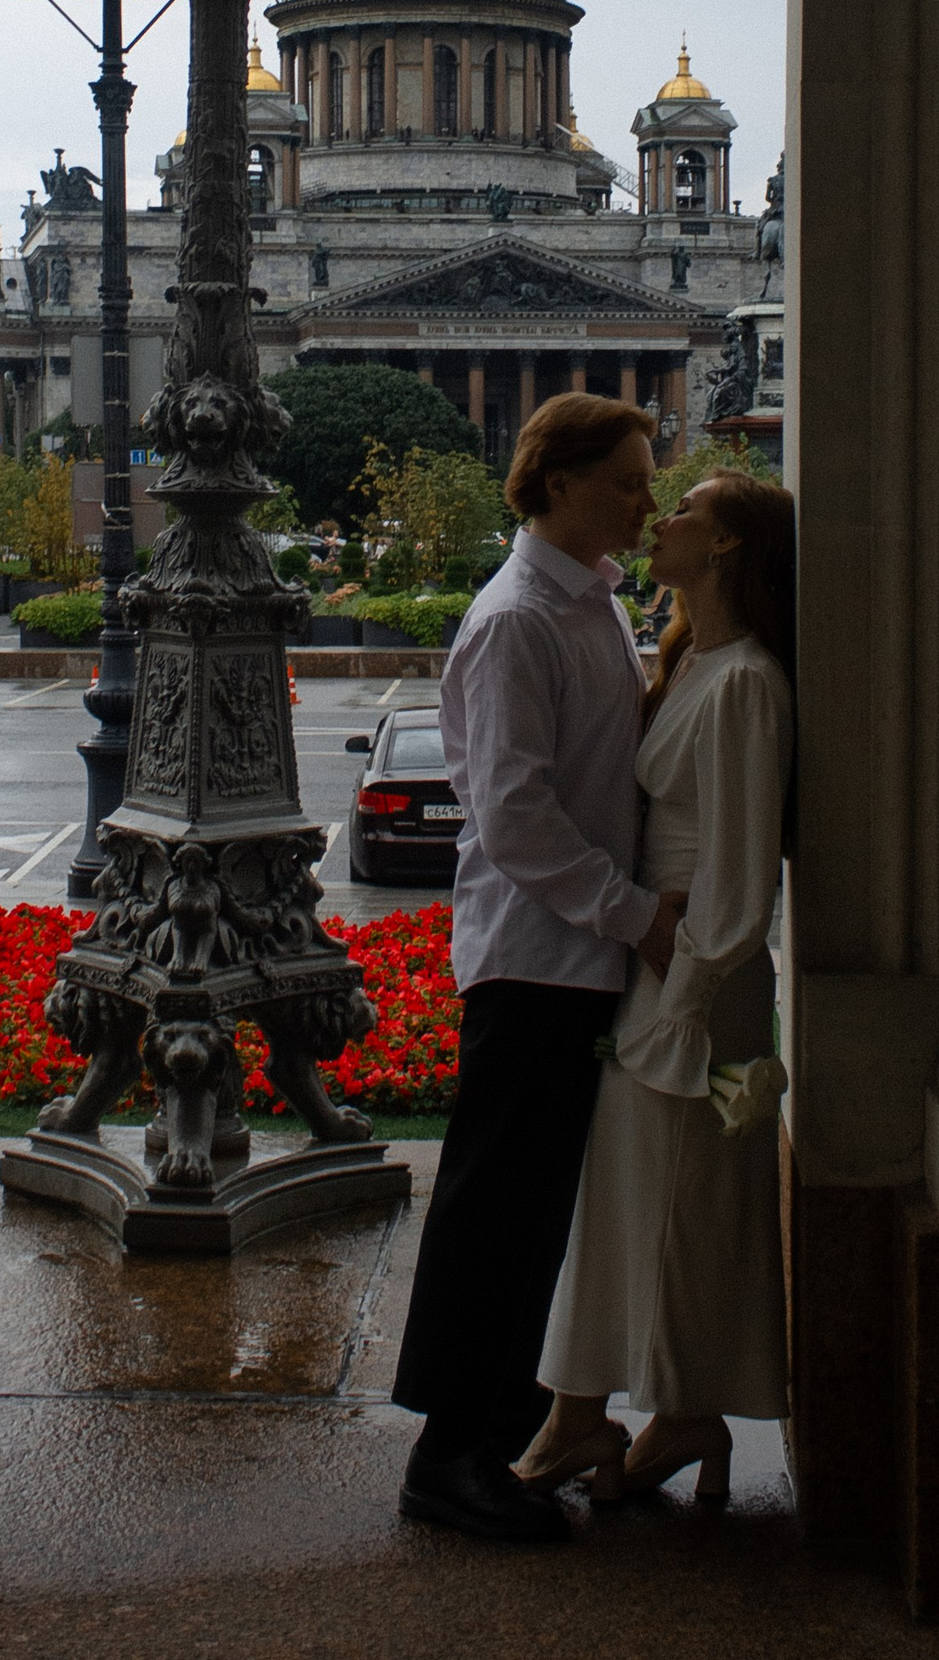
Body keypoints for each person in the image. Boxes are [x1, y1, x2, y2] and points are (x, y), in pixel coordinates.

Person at [391, 393, 684, 1547]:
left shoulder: (586, 599)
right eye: (626, 480)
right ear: (560, 483)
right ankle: (447, 1453)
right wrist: (634, 915)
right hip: (535, 956)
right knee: (495, 1214)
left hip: (572, 955)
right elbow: (512, 812)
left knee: (530, 1215)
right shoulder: (518, 618)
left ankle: (491, 1435)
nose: (645, 499)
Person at [518, 466, 798, 1504]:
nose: (659, 518)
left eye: (685, 509)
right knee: (632, 1206)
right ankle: (631, 1415)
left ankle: (649, 1415)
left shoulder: (746, 682)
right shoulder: (692, 662)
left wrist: (684, 1007)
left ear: (725, 546)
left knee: (680, 1208)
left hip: (695, 983)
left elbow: (740, 875)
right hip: (664, 970)